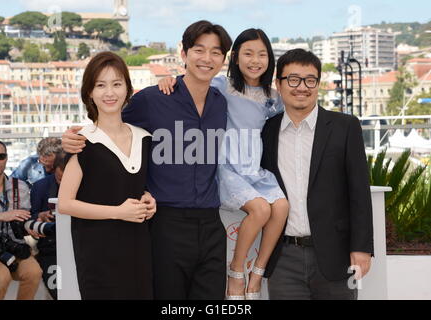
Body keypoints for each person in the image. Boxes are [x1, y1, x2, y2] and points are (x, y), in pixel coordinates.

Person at [62, 20, 233, 300]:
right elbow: (108, 126)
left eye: (216, 52)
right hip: (166, 224)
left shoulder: (220, 102)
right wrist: (71, 139)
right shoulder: (153, 100)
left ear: (223, 59)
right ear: (184, 54)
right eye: (199, 50)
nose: (207, 58)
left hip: (212, 223)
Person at [158, 28, 290, 300]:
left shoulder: (273, 97)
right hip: (228, 166)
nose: (255, 60)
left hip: (254, 167)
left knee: (282, 206)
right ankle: (236, 271)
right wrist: (168, 79)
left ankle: (258, 272)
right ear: (235, 57)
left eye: (262, 54)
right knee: (260, 210)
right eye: (248, 53)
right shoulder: (222, 85)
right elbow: (190, 83)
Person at [260, 49, 373, 300]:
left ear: (318, 84)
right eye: (293, 79)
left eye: (310, 80)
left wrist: (362, 248)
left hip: (336, 256)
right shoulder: (266, 131)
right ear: (278, 84)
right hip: (283, 258)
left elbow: (359, 192)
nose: (302, 87)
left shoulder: (346, 126)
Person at [57, 51, 157, 300]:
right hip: (97, 255)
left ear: (127, 88)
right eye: (100, 85)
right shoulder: (83, 142)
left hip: (138, 250)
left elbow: (139, 186)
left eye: (116, 84)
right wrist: (118, 212)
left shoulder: (145, 139)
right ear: (89, 92)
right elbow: (65, 203)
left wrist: (149, 200)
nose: (109, 93)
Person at [0, 140, 43, 300]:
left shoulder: (21, 187)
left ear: (6, 158)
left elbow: (24, 223)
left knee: (34, 272)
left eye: (0, 156)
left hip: (13, 246)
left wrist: (35, 221)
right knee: (1, 277)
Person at [30, 151, 66, 300]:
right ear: (54, 168)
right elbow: (29, 216)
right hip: (50, 247)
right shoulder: (40, 186)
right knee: (57, 291)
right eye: (60, 176)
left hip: (81, 246)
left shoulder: (88, 185)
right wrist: (40, 216)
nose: (64, 180)